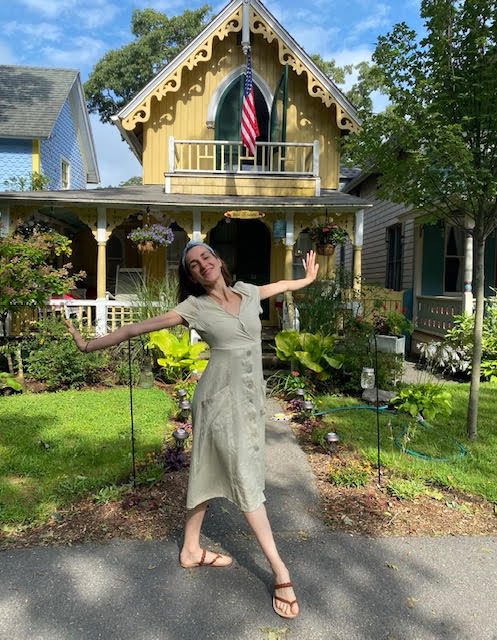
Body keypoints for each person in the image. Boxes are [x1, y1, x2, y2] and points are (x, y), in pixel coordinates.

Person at [66, 240, 319, 619]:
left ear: (218, 260)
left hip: (249, 401)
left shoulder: (248, 292)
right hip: (217, 402)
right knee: (246, 479)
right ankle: (280, 570)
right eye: (193, 265)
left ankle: (190, 549)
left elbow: (279, 286)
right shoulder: (194, 308)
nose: (202, 265)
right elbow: (138, 327)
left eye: (205, 257)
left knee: (207, 472)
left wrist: (306, 280)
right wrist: (89, 345)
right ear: (192, 277)